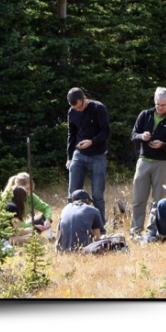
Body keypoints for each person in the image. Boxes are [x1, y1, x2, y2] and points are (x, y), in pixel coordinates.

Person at [130, 87, 166, 237]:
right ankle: (135, 231)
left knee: (158, 200)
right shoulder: (145, 115)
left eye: (163, 105)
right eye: (157, 104)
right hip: (143, 161)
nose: (159, 108)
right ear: (154, 100)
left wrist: (162, 145)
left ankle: (152, 231)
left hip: (162, 163)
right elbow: (133, 135)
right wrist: (141, 136)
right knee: (138, 198)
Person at [66, 87, 111, 233]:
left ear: (84, 98)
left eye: (80, 106)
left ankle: (100, 229)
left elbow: (106, 131)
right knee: (73, 193)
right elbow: (71, 135)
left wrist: (91, 141)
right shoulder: (72, 112)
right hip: (78, 154)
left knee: (97, 194)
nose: (78, 110)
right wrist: (69, 157)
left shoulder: (99, 108)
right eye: (75, 108)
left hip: (97, 155)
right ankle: (70, 226)